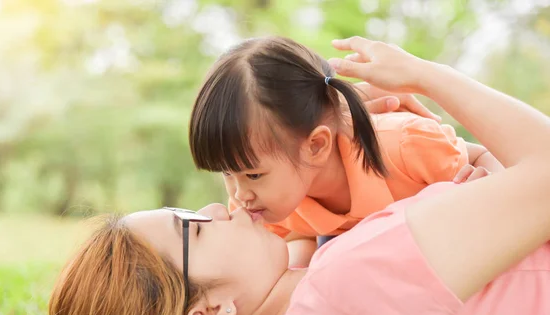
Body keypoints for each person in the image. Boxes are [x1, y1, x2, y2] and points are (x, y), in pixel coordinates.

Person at [40, 37, 550, 315]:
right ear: (212, 312)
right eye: (194, 228)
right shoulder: (354, 278)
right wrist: (425, 77)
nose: (222, 207)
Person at [189, 36, 503, 264]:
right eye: (228, 173)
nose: (239, 195)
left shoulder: (402, 144)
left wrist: (490, 183)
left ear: (315, 145)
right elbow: (293, 241)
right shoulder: (265, 197)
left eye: (253, 174)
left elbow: (485, 155)